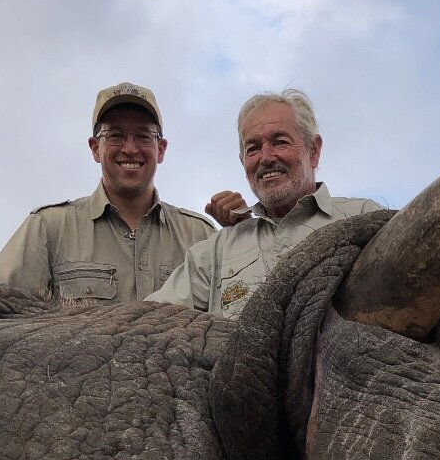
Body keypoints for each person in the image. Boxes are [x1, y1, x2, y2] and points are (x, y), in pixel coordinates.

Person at [147, 88, 381, 318]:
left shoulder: (364, 217)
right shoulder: (216, 251)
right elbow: (150, 319)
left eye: (280, 142)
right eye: (253, 148)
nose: (266, 158)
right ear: (243, 162)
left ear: (314, 150)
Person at [0, 83, 214, 304]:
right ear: (95, 148)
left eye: (143, 136)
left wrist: (243, 228)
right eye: (116, 136)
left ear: (161, 149)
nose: (130, 149)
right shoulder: (48, 228)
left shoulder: (201, 237)